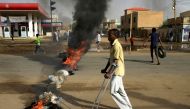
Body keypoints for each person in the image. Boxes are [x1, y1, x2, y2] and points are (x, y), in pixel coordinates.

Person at [101, 29, 132, 109]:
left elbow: (116, 61)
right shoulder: (112, 45)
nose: (108, 36)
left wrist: (109, 73)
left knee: (113, 91)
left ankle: (126, 108)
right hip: (115, 71)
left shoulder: (116, 45)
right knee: (121, 92)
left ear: (115, 36)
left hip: (117, 72)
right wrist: (105, 69)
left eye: (110, 35)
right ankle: (129, 107)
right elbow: (110, 59)